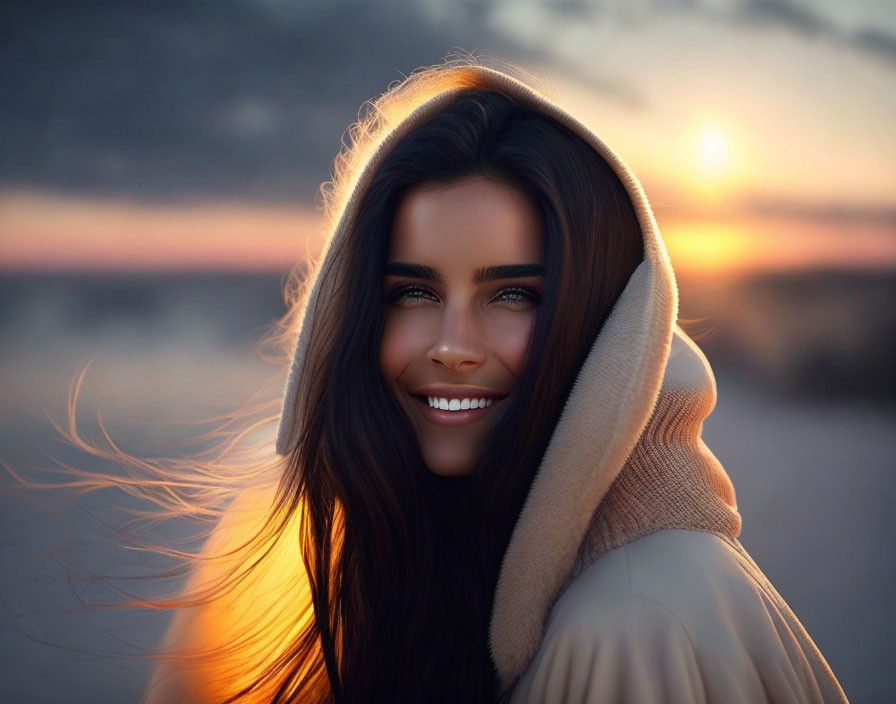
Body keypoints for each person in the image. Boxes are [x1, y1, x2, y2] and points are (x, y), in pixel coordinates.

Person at [143, 59, 849, 703]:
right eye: (412, 293)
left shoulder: (637, 623)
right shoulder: (356, 541)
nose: (452, 347)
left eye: (512, 296)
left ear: (601, 319)